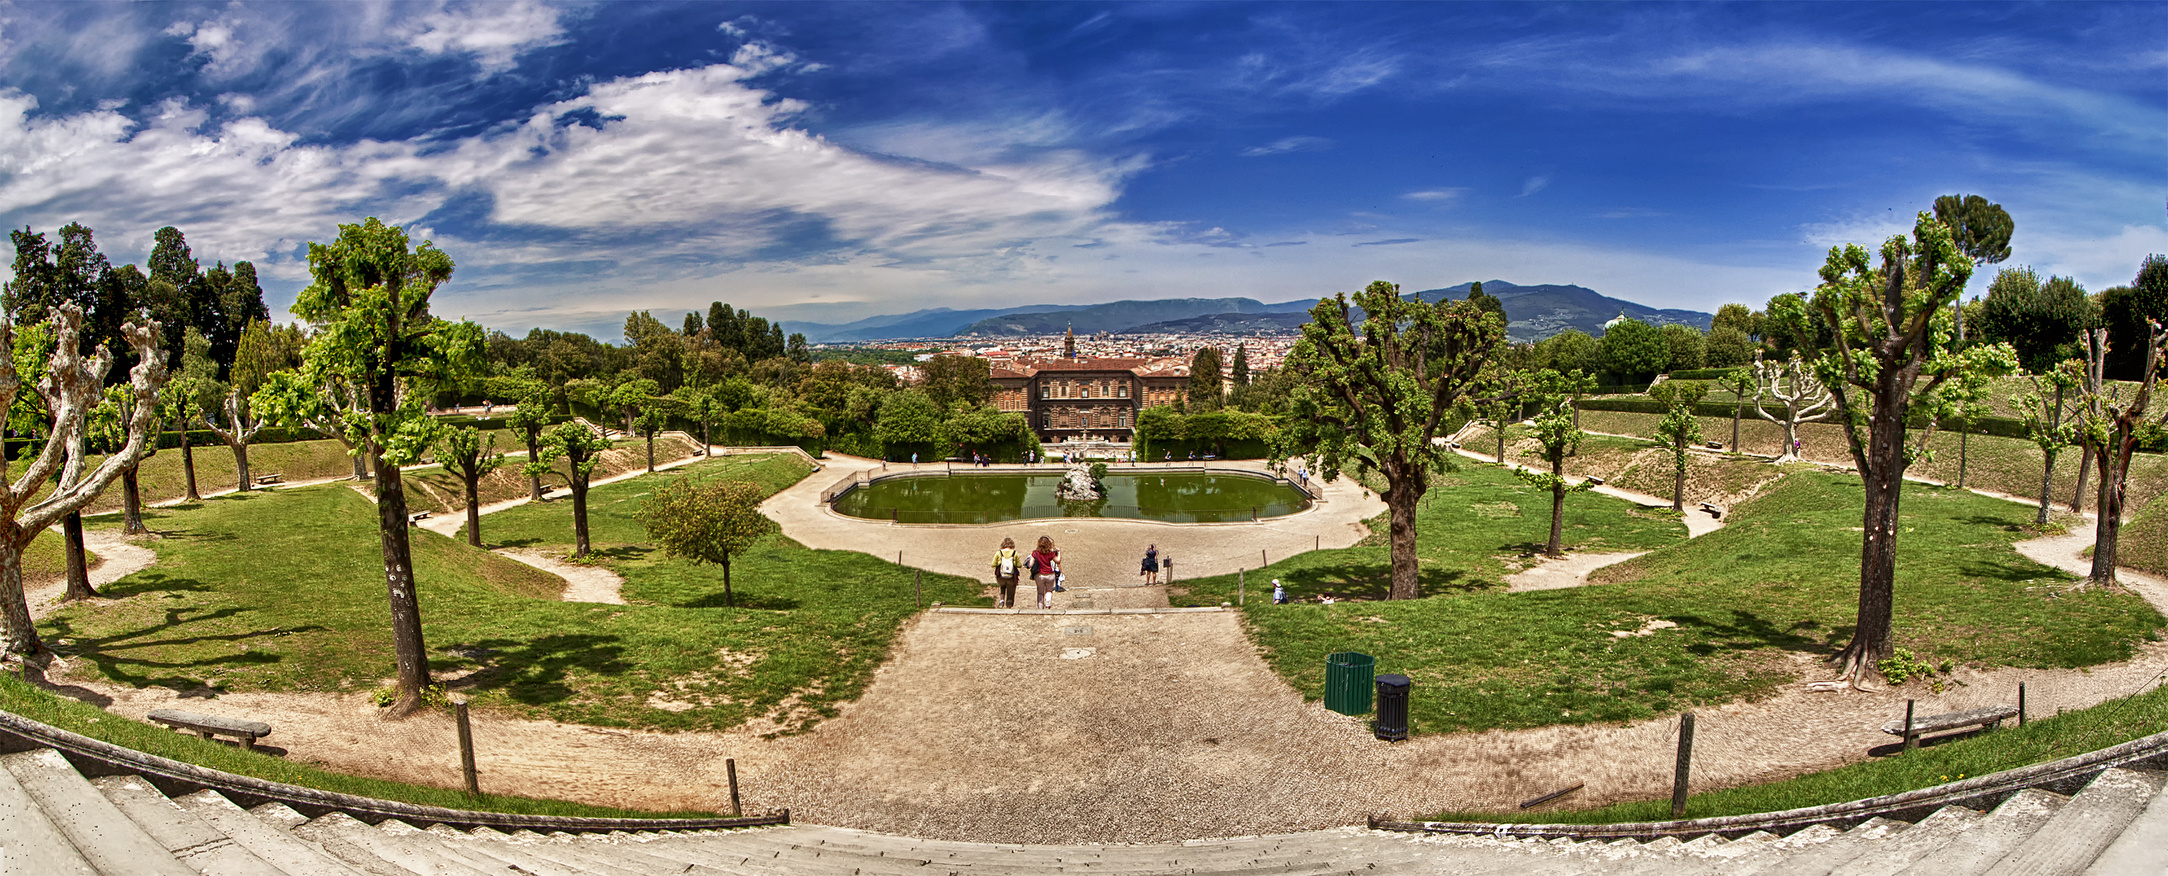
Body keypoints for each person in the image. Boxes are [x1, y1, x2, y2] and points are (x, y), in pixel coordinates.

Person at [991, 538, 1023, 608]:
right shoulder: (1015, 553)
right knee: (1011, 589)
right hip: (1011, 575)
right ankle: (1009, 604)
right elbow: (1019, 565)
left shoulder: (999, 553)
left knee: (1002, 586)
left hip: (1001, 575)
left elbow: (993, 564)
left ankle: (1001, 600)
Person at [1031, 536, 1062, 609]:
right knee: (1049, 591)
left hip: (1039, 575)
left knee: (1040, 592)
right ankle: (1048, 604)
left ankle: (1040, 608)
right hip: (1050, 574)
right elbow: (1058, 560)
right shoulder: (1050, 554)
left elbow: (1030, 564)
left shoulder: (1035, 553)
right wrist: (1059, 552)